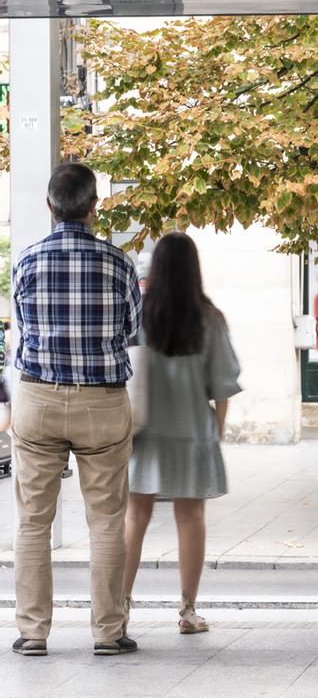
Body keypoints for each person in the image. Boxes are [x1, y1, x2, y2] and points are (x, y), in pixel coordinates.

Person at [9, 162, 142, 657]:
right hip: (102, 402)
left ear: (50, 206)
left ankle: (32, 633)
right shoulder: (119, 262)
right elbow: (131, 327)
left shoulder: (26, 262)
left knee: (32, 521)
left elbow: (22, 325)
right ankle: (108, 632)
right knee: (107, 519)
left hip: (38, 399)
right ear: (93, 207)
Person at [122, 232, 242, 635]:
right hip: (192, 433)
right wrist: (217, 433)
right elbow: (223, 385)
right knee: (191, 518)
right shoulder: (210, 318)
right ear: (194, 268)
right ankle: (188, 612)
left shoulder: (139, 315)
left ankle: (118, 608)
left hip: (145, 434)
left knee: (134, 517)